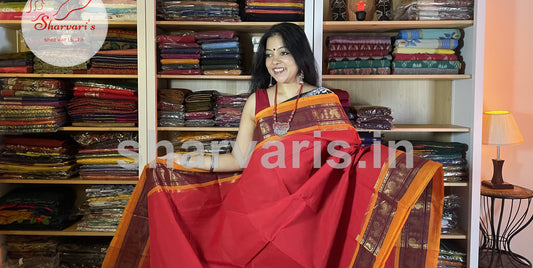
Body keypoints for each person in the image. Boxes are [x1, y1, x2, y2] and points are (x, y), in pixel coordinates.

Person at [103, 23, 444, 268]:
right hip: (252, 212)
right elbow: (239, 158)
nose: (275, 60)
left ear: (300, 56)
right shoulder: (257, 100)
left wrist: (397, 165)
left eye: (283, 51)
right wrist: (183, 160)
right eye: (268, 54)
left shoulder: (324, 99)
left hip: (303, 217)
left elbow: (347, 158)